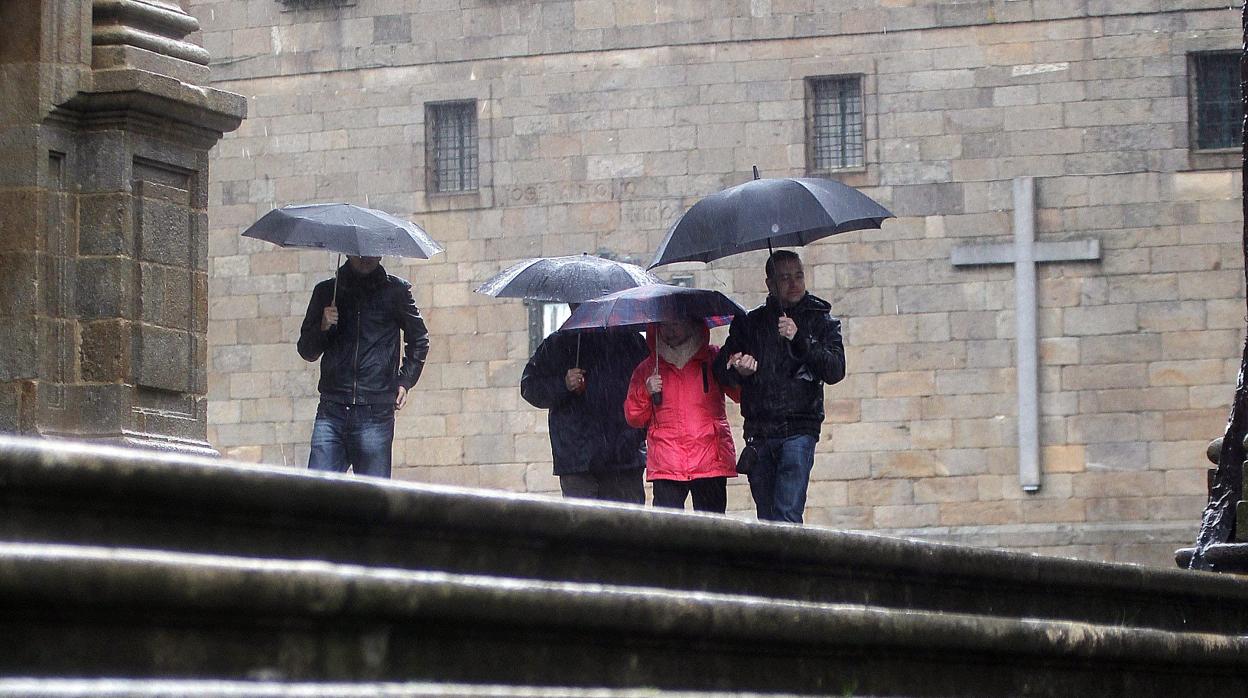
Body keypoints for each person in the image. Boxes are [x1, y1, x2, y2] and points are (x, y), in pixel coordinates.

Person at [713, 250, 846, 523]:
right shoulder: (751, 323)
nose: (794, 283)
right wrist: (737, 370)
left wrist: (800, 338)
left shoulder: (820, 319)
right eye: (785, 278)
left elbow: (835, 369)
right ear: (770, 284)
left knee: (787, 513)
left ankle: (789, 565)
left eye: (798, 275)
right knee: (767, 518)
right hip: (760, 432)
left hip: (799, 428)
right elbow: (720, 371)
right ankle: (772, 565)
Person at [298, 255, 430, 478]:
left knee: (373, 500)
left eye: (372, 253)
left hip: (375, 411)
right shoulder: (327, 292)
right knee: (316, 496)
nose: (366, 258)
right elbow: (307, 351)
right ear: (348, 252)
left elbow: (419, 340)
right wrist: (323, 326)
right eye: (360, 253)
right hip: (333, 408)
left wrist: (405, 380)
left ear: (380, 254)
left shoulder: (396, 291)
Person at [521, 313, 649, 503]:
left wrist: (636, 436)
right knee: (582, 527)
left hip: (623, 457)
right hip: (577, 459)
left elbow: (648, 388)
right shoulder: (558, 343)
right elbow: (530, 387)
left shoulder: (630, 341)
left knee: (626, 527)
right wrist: (563, 384)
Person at [624, 317, 740, 514]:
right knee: (666, 533)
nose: (669, 331)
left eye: (676, 323)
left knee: (712, 531)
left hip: (709, 457)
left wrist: (739, 373)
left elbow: (739, 395)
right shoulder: (647, 368)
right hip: (667, 461)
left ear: (691, 324)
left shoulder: (713, 358)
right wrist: (645, 391)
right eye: (664, 325)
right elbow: (633, 417)